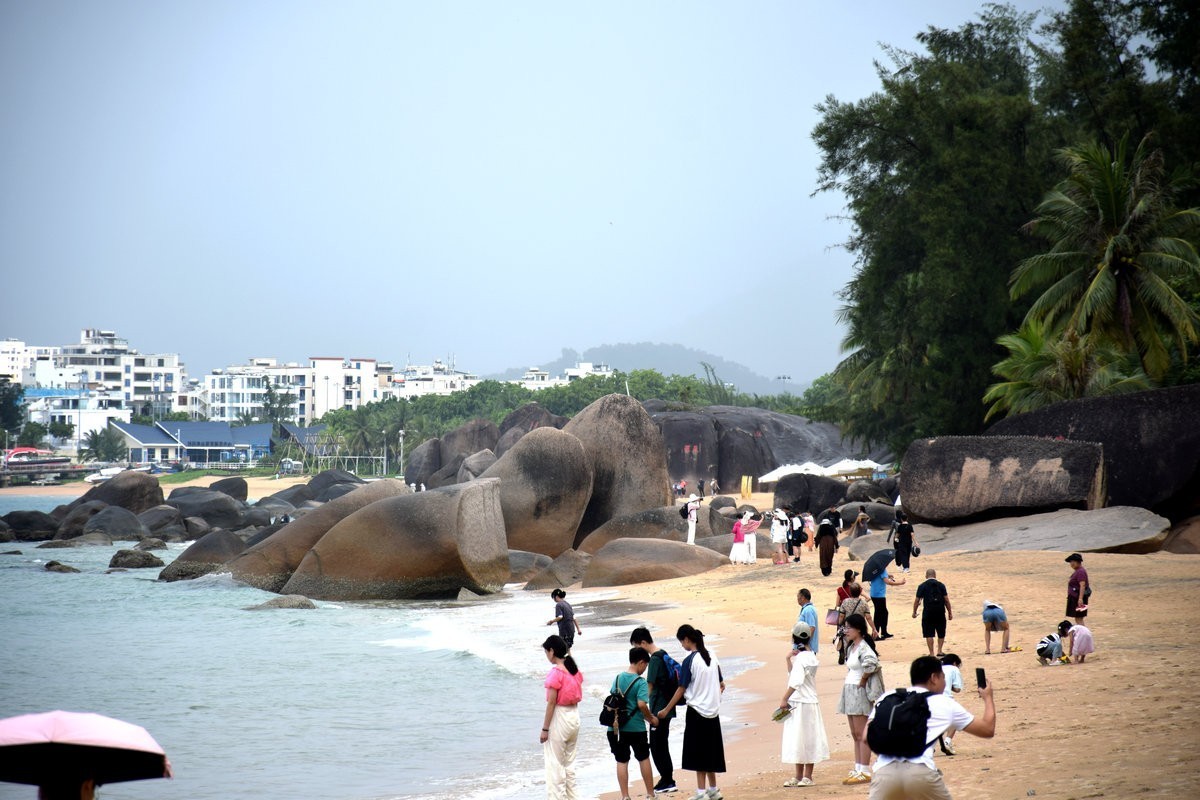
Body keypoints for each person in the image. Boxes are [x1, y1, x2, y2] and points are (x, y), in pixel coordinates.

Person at [865, 655, 996, 800]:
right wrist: (988, 698)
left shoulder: (889, 696)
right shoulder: (944, 702)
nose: (944, 683)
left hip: (884, 774)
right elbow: (987, 729)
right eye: (943, 678)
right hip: (920, 773)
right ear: (934, 678)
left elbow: (865, 736)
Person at [657, 625, 726, 800]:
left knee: (699, 753)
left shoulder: (690, 660)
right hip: (713, 711)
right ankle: (713, 790)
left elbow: (681, 688)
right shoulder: (712, 655)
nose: (682, 645)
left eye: (681, 642)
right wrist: (711, 695)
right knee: (711, 751)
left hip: (697, 711)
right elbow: (721, 684)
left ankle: (701, 793)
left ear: (687, 639)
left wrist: (666, 709)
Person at [777, 622, 830, 787]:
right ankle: (803, 776)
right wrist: (788, 659)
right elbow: (795, 675)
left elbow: (796, 681)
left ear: (794, 637)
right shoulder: (811, 656)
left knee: (799, 737)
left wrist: (784, 699)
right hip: (809, 700)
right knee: (807, 737)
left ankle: (804, 776)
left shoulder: (801, 658)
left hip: (800, 701)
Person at [606, 647, 659, 800]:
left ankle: (625, 796)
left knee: (621, 761)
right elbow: (641, 704)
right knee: (643, 758)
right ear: (641, 662)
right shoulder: (640, 682)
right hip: (636, 727)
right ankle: (650, 794)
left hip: (616, 728)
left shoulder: (617, 678)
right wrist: (651, 719)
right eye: (645, 666)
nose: (645, 669)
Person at [629, 628, 678, 794]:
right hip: (666, 706)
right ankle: (666, 779)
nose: (637, 651)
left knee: (658, 746)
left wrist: (640, 705)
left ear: (643, 642)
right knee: (661, 744)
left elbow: (649, 687)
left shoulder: (655, 660)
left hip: (660, 709)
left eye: (637, 646)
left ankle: (668, 780)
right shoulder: (663, 654)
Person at [838, 613, 884, 785]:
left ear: (858, 629)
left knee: (862, 733)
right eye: (845, 627)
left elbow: (872, 664)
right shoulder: (852, 646)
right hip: (850, 689)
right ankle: (858, 767)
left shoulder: (864, 647)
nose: (846, 630)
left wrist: (863, 680)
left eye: (849, 627)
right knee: (855, 734)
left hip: (859, 691)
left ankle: (864, 769)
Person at [541, 635, 584, 800]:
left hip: (560, 717)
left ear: (552, 651)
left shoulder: (556, 673)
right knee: (569, 765)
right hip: (574, 716)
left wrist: (545, 729)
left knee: (555, 765)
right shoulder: (574, 671)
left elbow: (551, 703)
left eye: (546, 652)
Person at [912, 569, 952, 657]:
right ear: (935, 575)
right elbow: (946, 600)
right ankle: (940, 651)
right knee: (941, 632)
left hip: (928, 612)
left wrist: (914, 612)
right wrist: (950, 612)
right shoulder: (941, 585)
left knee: (928, 633)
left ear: (926, 576)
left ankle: (931, 653)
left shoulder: (922, 586)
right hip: (940, 612)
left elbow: (917, 601)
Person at [836, 584, 877, 663]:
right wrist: (874, 628)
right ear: (859, 592)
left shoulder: (845, 602)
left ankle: (849, 659)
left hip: (848, 627)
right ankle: (859, 659)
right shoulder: (863, 603)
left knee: (848, 645)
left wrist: (839, 625)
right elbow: (868, 617)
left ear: (850, 592)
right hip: (860, 627)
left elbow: (841, 616)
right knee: (860, 643)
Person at [870, 566, 905, 640]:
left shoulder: (875, 568)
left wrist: (888, 575)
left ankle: (883, 632)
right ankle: (877, 634)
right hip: (879, 595)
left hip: (874, 593)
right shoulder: (882, 569)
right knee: (880, 614)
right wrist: (900, 583)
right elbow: (887, 582)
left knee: (882, 613)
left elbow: (880, 576)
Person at [938, 653, 964, 754]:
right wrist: (950, 686)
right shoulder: (954, 669)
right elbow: (957, 689)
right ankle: (947, 742)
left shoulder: (937, 668)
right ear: (954, 663)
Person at [1065, 553, 1090, 625]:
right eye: (1070, 562)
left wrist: (1080, 599)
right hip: (1076, 597)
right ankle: (1083, 631)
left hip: (1077, 598)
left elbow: (1083, 585)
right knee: (1078, 618)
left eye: (1073, 561)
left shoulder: (1080, 571)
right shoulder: (1078, 571)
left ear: (1079, 562)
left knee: (1079, 618)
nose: (1071, 563)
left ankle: (1083, 632)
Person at [795, 588, 820, 654]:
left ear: (803, 598)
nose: (797, 599)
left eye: (798, 597)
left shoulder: (808, 610)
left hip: (807, 649)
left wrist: (804, 644)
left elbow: (812, 627)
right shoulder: (808, 608)